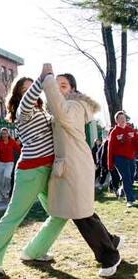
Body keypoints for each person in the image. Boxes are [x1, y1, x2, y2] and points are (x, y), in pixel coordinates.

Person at [32, 69, 122, 277]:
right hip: (71, 167)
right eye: (56, 85)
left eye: (62, 85)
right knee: (82, 211)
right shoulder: (64, 106)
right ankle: (112, 240)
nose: (57, 88)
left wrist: (48, 81)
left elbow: (61, 113)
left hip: (76, 166)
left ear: (72, 90)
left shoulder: (74, 105)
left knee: (80, 214)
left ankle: (109, 256)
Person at [0, 77, 67, 277]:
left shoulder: (42, 110)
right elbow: (28, 100)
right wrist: (41, 78)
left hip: (48, 169)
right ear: (19, 94)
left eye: (33, 89)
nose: (31, 93)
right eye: (25, 90)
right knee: (13, 217)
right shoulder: (23, 111)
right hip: (30, 171)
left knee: (61, 213)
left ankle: (33, 251)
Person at [107, 111, 138, 207]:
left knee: (131, 177)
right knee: (126, 177)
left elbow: (136, 141)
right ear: (116, 121)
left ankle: (121, 189)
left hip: (130, 157)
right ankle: (130, 200)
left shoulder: (130, 130)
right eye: (120, 118)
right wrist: (110, 163)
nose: (122, 120)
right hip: (119, 159)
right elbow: (110, 148)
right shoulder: (114, 132)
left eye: (123, 118)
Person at [0, 127, 21, 201]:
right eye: (2, 134)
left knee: (7, 177)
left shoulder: (12, 142)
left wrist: (24, 156)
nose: (4, 135)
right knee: (0, 180)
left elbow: (19, 149)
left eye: (5, 133)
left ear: (8, 134)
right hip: (0, 163)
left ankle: (7, 192)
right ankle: (0, 194)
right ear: (1, 135)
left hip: (9, 163)